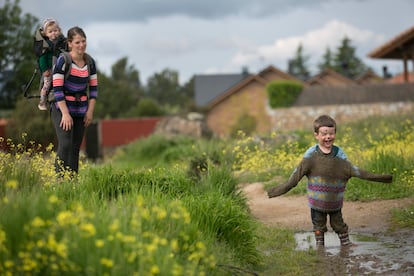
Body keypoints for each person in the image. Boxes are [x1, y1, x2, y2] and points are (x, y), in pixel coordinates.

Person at [267, 115, 393, 247]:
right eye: (324, 134)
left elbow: (352, 169)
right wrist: (278, 190)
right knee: (318, 224)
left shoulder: (339, 154)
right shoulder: (311, 154)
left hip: (334, 200)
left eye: (331, 133)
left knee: (338, 223)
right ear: (316, 135)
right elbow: (296, 175)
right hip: (316, 201)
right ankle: (320, 246)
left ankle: (346, 243)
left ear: (335, 134)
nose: (328, 137)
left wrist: (382, 178)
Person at [51, 26, 98, 177]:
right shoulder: (63, 61)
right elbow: (57, 89)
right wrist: (65, 114)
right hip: (61, 107)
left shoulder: (90, 62)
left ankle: (72, 182)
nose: (82, 45)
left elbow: (94, 90)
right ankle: (59, 180)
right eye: (77, 42)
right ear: (70, 43)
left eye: (84, 41)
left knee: (75, 147)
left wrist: (90, 112)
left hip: (80, 108)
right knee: (65, 144)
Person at [37, 18, 65, 110]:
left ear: (59, 31)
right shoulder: (46, 44)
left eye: (55, 31)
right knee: (47, 84)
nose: (53, 33)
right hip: (49, 69)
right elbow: (42, 58)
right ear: (45, 34)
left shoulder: (62, 43)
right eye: (50, 31)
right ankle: (42, 100)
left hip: (59, 67)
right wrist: (44, 69)